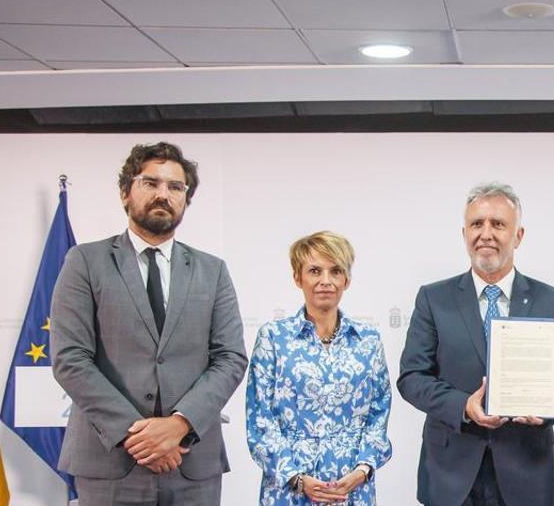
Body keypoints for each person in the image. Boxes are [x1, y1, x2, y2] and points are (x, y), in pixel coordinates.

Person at [51, 142, 247, 505]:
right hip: (110, 459)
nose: (164, 194)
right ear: (126, 193)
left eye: (176, 187)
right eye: (151, 183)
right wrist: (140, 436)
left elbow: (230, 358)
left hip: (191, 461)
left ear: (185, 200)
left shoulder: (213, 270)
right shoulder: (84, 262)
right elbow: (70, 359)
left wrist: (179, 425)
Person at [398, 182, 554, 506]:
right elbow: (412, 378)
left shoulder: (552, 301)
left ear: (518, 235)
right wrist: (463, 405)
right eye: (477, 224)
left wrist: (547, 411)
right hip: (450, 474)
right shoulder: (434, 299)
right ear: (464, 233)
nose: (486, 233)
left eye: (498, 224)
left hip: (527, 472)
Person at [246, 231, 392, 505]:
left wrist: (362, 471)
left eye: (335, 271)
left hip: (351, 490)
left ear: (346, 280)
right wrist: (296, 479)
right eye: (315, 271)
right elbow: (260, 419)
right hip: (288, 490)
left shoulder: (368, 340)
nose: (326, 281)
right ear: (298, 278)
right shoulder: (273, 338)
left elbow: (379, 413)